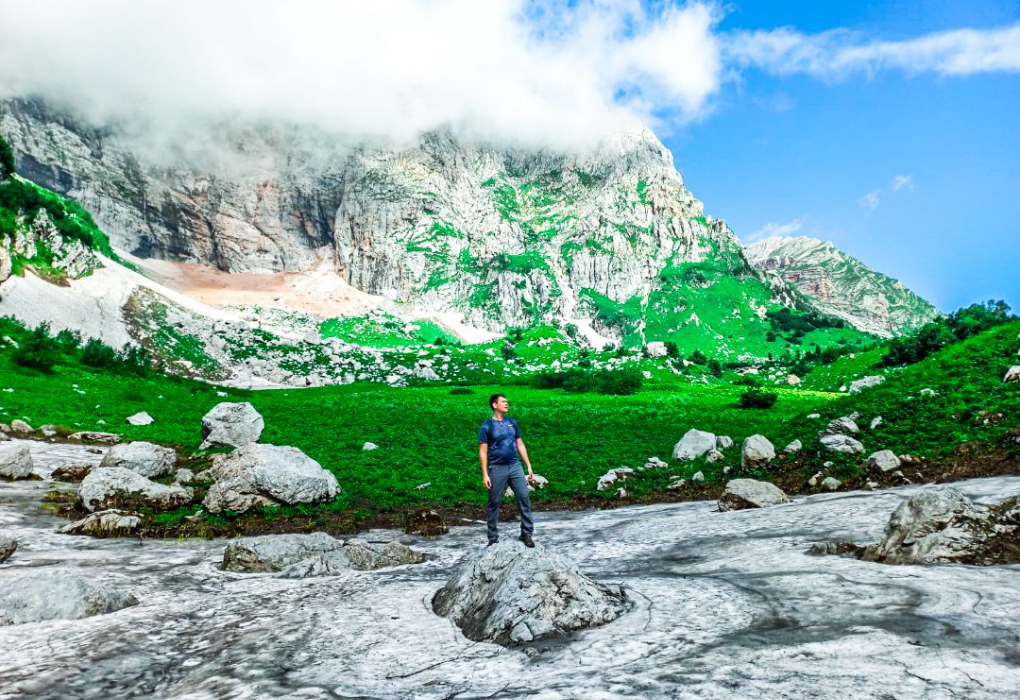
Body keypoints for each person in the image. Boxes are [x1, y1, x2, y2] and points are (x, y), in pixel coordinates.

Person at [478, 393, 535, 547]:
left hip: (515, 466)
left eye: (507, 401)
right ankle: (492, 538)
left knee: (524, 498)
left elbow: (520, 445)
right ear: (494, 405)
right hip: (497, 468)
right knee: (494, 502)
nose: (507, 403)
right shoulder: (487, 426)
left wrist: (528, 465)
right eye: (503, 402)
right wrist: (485, 475)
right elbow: (483, 452)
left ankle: (526, 534)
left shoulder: (512, 422)